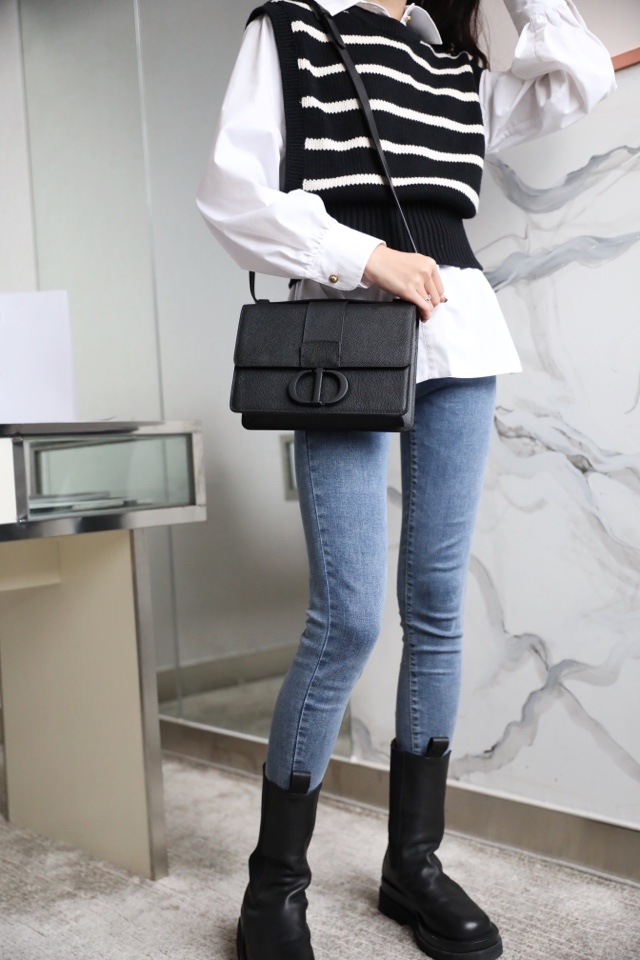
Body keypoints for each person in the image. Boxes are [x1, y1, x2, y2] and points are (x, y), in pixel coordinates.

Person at [197, 1, 615, 958]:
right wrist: (368, 256)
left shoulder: (451, 65)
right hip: (344, 337)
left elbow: (579, 73)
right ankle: (275, 885)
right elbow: (232, 192)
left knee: (435, 605)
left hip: (460, 338)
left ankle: (413, 866)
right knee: (346, 617)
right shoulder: (294, 30)